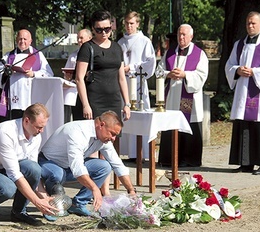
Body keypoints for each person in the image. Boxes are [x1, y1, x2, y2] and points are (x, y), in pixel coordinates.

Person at [0, 103, 55, 226]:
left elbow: (33, 170)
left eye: (43, 127)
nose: (42, 131)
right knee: (7, 188)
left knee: (34, 169)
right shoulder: (5, 132)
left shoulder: (35, 135)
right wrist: (37, 202)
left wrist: (44, 198)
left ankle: (19, 212)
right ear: (26, 121)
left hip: (5, 169)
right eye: (39, 127)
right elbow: (15, 174)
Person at [75, 10, 131, 195]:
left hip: (113, 99)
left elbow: (122, 77)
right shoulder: (87, 47)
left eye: (107, 29)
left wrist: (127, 103)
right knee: (92, 146)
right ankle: (94, 190)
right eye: (99, 30)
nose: (104, 33)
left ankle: (104, 190)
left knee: (108, 143)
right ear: (93, 29)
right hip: (94, 100)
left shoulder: (117, 47)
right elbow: (79, 78)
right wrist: (85, 104)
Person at [38, 110, 136, 216]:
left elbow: (117, 164)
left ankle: (78, 204)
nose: (113, 138)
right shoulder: (78, 132)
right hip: (49, 163)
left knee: (104, 167)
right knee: (57, 174)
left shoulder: (103, 138)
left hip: (69, 167)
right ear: (101, 125)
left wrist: (131, 191)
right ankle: (52, 207)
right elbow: (78, 168)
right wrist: (95, 189)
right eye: (112, 133)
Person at [225, 11, 260, 175]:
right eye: (248, 23)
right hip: (243, 90)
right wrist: (237, 70)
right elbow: (229, 65)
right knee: (244, 125)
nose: (250, 26)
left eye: (253, 23)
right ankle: (246, 162)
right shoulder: (239, 44)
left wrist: (254, 72)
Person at [157, 24, 209, 167]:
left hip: (188, 99)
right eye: (179, 34)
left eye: (184, 35)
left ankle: (189, 159)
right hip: (172, 97)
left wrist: (185, 74)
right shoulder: (170, 53)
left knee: (187, 125)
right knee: (171, 124)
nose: (181, 37)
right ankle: (168, 159)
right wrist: (169, 74)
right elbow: (159, 72)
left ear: (191, 36)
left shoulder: (199, 54)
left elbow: (202, 74)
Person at [118, 11, 156, 161]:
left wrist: (132, 67)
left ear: (138, 24)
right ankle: (128, 151)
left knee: (139, 116)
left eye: (132, 23)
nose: (129, 26)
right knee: (125, 116)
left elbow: (150, 63)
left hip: (138, 83)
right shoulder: (120, 43)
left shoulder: (144, 41)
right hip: (123, 84)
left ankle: (141, 153)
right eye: (127, 23)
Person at [0, 29, 54, 120]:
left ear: (30, 41)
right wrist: (6, 73)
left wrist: (33, 74)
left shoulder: (38, 55)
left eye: (25, 39)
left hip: (31, 97)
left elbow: (49, 74)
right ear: (16, 40)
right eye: (20, 39)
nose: (22, 41)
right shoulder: (8, 56)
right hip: (13, 97)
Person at [63, 29, 92, 122]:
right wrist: (67, 76)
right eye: (78, 38)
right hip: (75, 91)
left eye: (81, 38)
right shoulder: (73, 55)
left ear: (89, 38)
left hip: (89, 90)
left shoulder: (93, 53)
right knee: (77, 118)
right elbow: (66, 72)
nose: (79, 40)